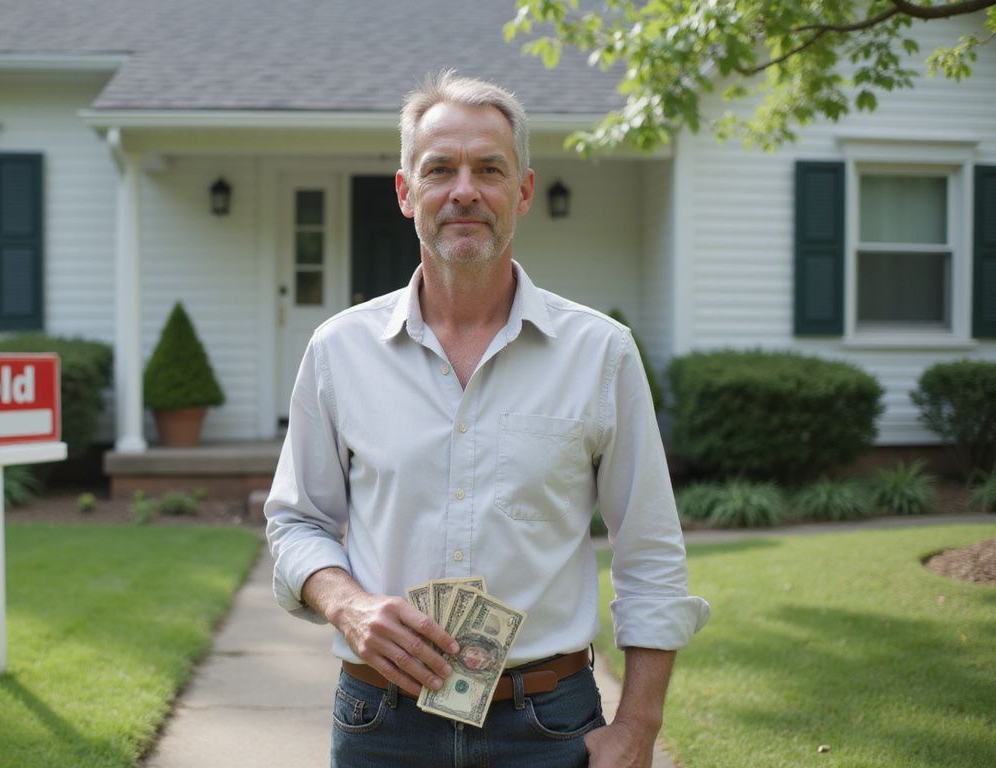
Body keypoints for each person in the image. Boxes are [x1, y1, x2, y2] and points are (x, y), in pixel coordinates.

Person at [265, 70, 710, 768]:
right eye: (440, 168)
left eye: (489, 169)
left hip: (549, 725)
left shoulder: (599, 354)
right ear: (406, 191)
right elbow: (296, 522)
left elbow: (650, 552)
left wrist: (639, 727)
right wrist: (346, 602)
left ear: (523, 191)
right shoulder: (338, 351)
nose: (464, 190)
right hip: (382, 723)